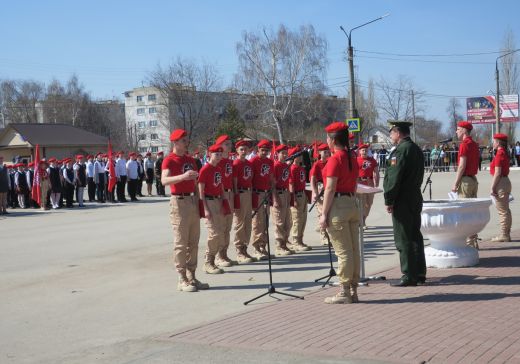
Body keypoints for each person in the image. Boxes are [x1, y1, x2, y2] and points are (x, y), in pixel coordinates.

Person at [162, 129, 208, 292]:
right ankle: (181, 278)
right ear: (175, 142)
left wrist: (200, 202)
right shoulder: (169, 160)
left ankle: (192, 276)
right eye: (183, 140)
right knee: (181, 243)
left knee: (193, 242)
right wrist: (183, 177)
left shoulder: (190, 159)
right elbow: (164, 180)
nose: (186, 142)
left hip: (192, 200)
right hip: (179, 201)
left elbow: (195, 182)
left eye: (186, 140)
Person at [319, 121, 360, 304]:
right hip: (352, 203)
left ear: (333, 140)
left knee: (343, 252)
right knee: (353, 250)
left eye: (328, 137)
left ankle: (344, 290)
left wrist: (323, 214)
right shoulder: (352, 158)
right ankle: (353, 289)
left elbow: (330, 188)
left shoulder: (335, 159)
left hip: (338, 206)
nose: (326, 141)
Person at [384, 121, 426, 287]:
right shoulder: (415, 148)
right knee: (415, 234)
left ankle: (409, 274)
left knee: (403, 237)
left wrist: (389, 199)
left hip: (402, 198)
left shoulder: (401, 150)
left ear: (398, 132)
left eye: (391, 132)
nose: (390, 136)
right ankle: (420, 272)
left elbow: (394, 178)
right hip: (415, 195)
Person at [199, 144, 229, 274]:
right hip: (209, 201)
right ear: (209, 154)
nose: (219, 157)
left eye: (220, 154)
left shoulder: (218, 169)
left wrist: (224, 201)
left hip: (218, 200)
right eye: (216, 154)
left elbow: (220, 186)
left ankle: (215, 258)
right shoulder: (205, 169)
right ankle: (208, 261)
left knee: (221, 232)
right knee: (214, 233)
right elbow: (201, 191)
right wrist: (205, 208)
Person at [451, 121, 480, 248]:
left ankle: (469, 243)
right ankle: (473, 240)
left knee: (465, 212)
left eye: (458, 129)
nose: (456, 131)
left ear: (463, 130)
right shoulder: (474, 144)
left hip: (466, 181)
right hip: (473, 180)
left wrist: (455, 183)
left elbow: (462, 165)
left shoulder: (464, 145)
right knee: (472, 212)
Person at [250, 140, 276, 260]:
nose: (265, 152)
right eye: (262, 150)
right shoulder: (253, 161)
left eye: (267, 150)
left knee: (265, 221)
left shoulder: (270, 162)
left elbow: (271, 178)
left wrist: (272, 193)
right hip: (257, 193)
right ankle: (256, 248)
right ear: (258, 150)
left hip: (266, 193)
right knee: (257, 222)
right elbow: (250, 179)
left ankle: (263, 246)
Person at [214, 134, 236, 268]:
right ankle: (218, 255)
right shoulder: (217, 161)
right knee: (220, 227)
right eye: (226, 144)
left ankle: (224, 253)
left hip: (230, 194)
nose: (229, 146)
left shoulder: (229, 161)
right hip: (220, 195)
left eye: (229, 143)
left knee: (228, 227)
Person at [232, 140, 256, 264]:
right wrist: (236, 197)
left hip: (248, 193)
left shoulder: (248, 163)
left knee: (248, 222)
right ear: (237, 150)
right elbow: (235, 181)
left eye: (245, 149)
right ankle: (239, 250)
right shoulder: (235, 163)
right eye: (241, 149)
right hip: (240, 193)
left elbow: (250, 179)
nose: (243, 151)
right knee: (240, 223)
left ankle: (245, 248)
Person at [272, 144, 294, 256]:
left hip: (285, 193)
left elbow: (288, 181)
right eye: (283, 153)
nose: (285, 155)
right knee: (279, 221)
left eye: (286, 153)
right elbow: (272, 184)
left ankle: (285, 243)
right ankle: (279, 245)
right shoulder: (275, 166)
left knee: (287, 221)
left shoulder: (285, 166)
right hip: (278, 193)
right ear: (277, 154)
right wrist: (275, 199)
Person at [490, 133, 512, 242]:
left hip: (501, 183)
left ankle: (504, 234)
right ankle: (506, 233)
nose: (492, 143)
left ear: (498, 142)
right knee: (506, 210)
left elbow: (497, 173)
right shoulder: (504, 153)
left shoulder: (499, 154)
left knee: (502, 211)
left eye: (494, 141)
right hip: (506, 181)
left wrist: (492, 188)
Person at [288, 146, 311, 252]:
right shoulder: (292, 168)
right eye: (298, 155)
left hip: (303, 194)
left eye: (301, 155)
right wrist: (294, 199)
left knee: (303, 219)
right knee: (296, 219)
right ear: (294, 157)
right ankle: (295, 241)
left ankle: (300, 239)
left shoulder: (301, 167)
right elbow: (291, 184)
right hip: (296, 195)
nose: (301, 157)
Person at [310, 142, 330, 246]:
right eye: (325, 152)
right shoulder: (317, 164)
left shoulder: (330, 162)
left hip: (329, 189)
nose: (327, 154)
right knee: (322, 213)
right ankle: (324, 237)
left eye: (328, 151)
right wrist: (315, 192)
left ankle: (329, 235)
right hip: (321, 188)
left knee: (329, 212)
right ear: (320, 153)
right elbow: (312, 179)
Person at [357, 143, 379, 229]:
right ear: (360, 151)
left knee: (369, 203)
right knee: (361, 203)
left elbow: (376, 171)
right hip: (359, 182)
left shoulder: (372, 160)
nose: (364, 152)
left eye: (366, 150)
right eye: (363, 150)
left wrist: (376, 181)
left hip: (369, 182)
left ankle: (363, 219)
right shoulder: (356, 160)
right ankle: (361, 221)